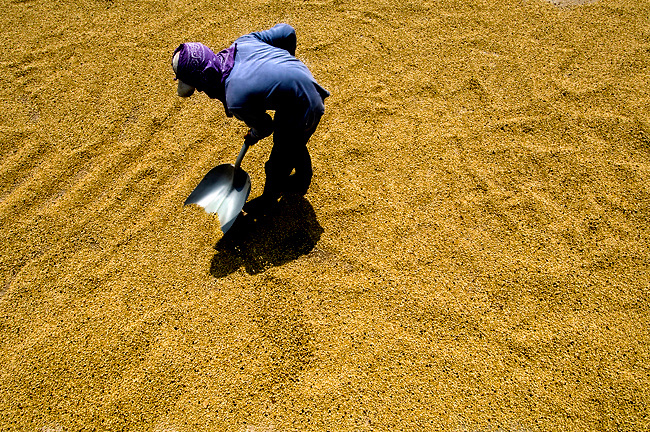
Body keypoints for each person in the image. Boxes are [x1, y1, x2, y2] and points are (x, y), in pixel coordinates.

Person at [171, 23, 329, 214]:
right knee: (292, 142)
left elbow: (265, 126)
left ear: (204, 81)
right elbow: (287, 31)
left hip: (305, 107)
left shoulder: (235, 97)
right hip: (299, 90)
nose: (201, 91)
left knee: (278, 160)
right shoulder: (243, 43)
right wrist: (286, 68)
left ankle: (269, 200)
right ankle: (302, 179)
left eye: (198, 87)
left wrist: (253, 135)